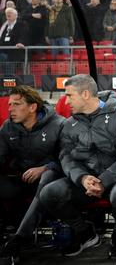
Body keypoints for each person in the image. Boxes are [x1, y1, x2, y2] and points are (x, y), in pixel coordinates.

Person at [39, 75, 116, 257]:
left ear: (85, 94)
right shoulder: (70, 124)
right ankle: (84, 232)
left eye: (70, 95)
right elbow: (66, 157)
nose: (65, 100)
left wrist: (103, 181)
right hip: (86, 180)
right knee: (49, 193)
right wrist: (83, 178)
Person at [0, 86, 66, 262]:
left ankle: (20, 237)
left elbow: (69, 161)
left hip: (52, 178)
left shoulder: (59, 124)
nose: (10, 109)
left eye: (16, 104)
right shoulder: (8, 127)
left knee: (48, 176)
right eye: (9, 104)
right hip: (21, 178)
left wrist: (45, 167)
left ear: (32, 107)